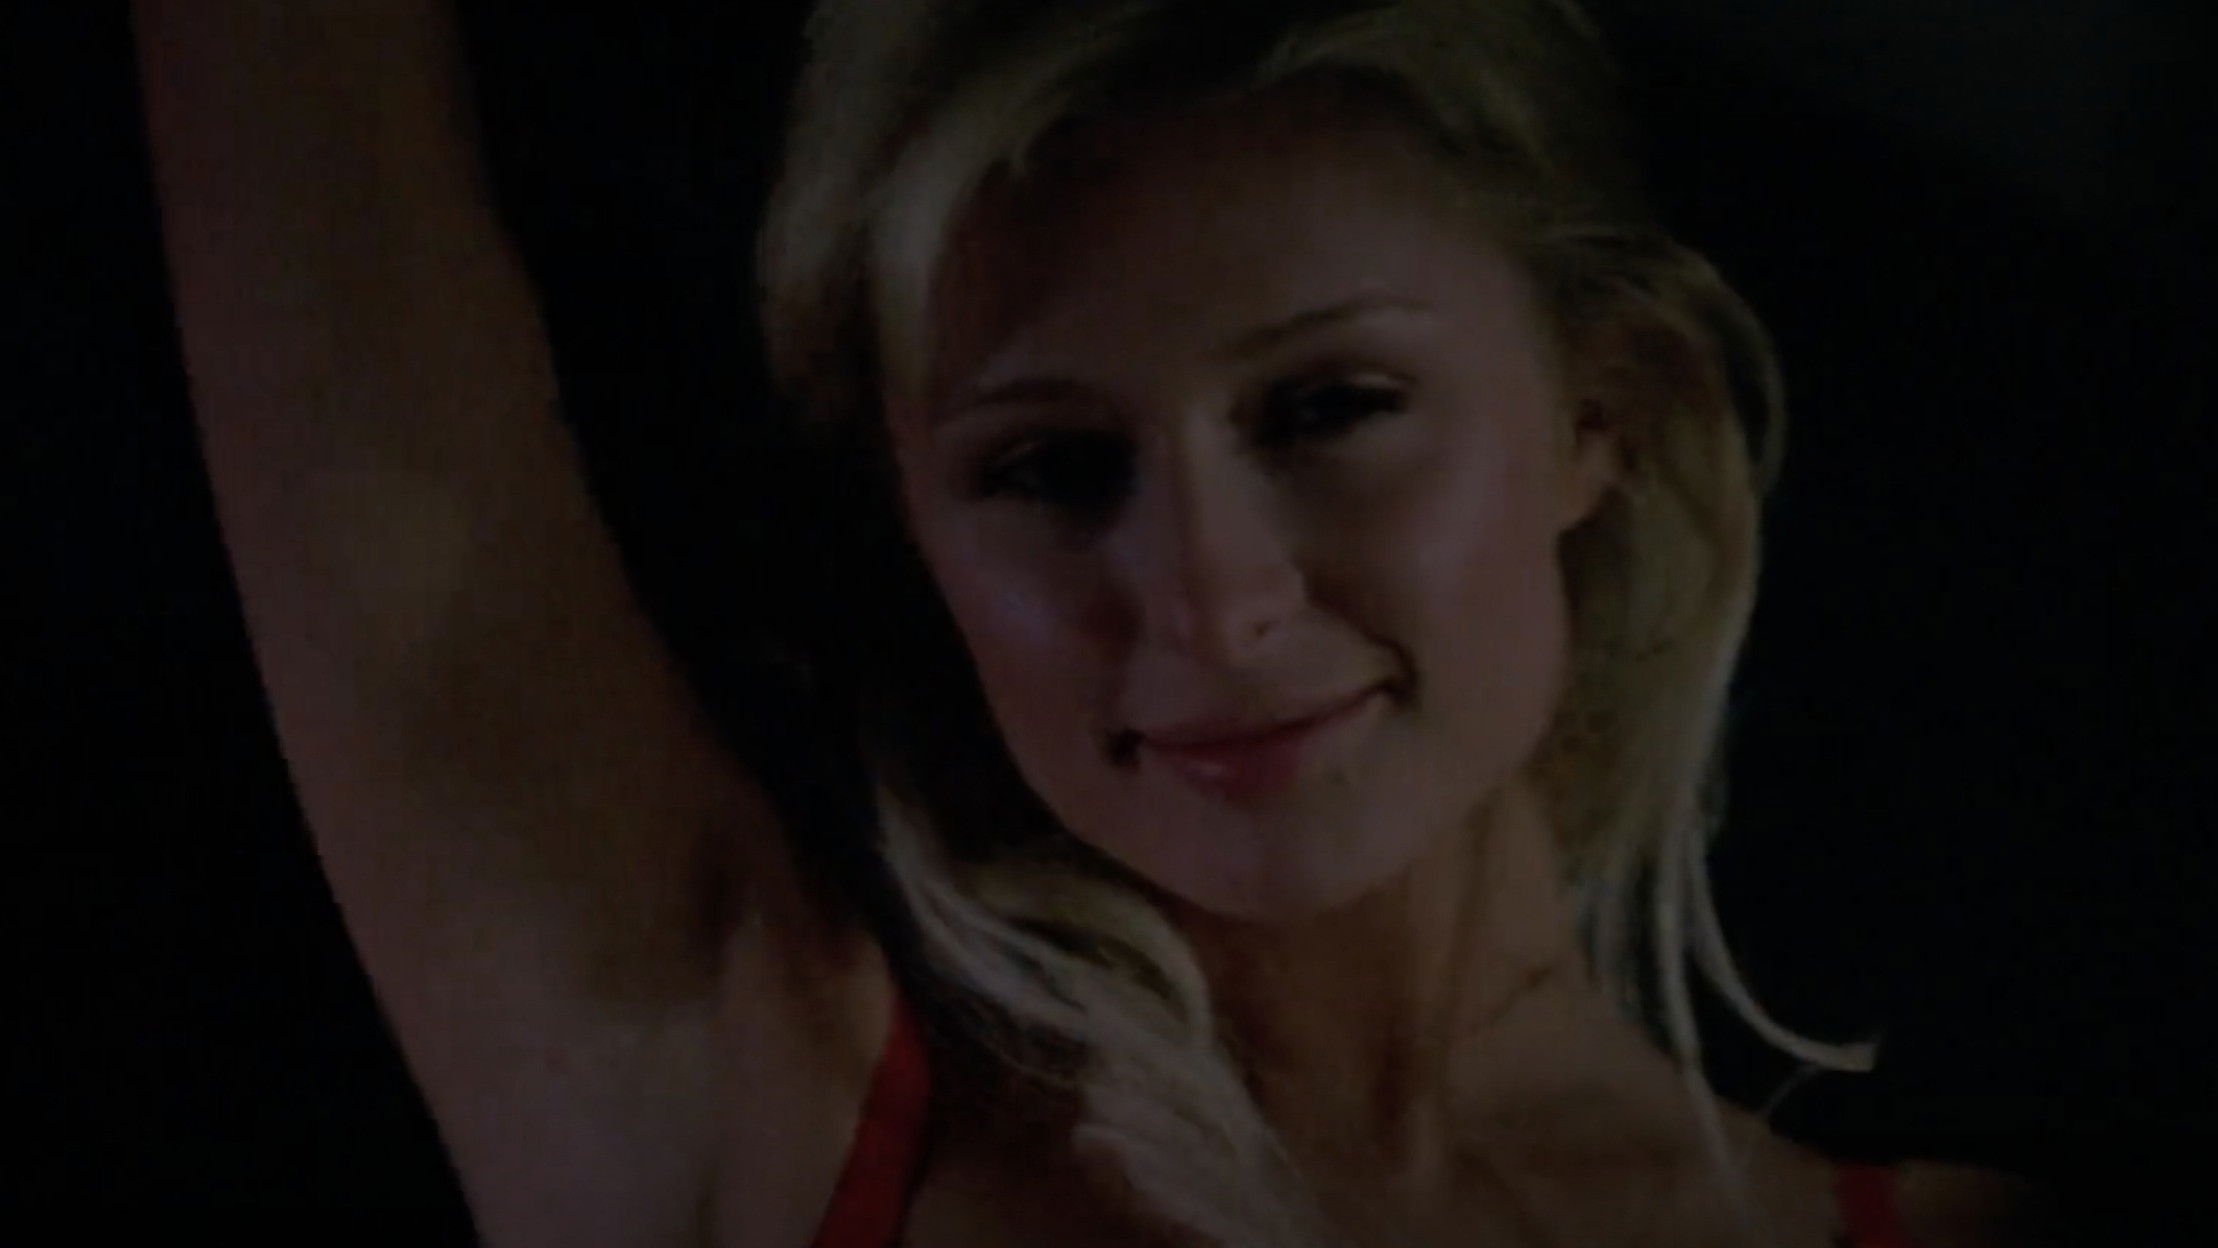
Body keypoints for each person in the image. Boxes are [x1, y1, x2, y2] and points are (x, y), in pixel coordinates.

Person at [134, 0, 2052, 1244]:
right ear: (909, 526)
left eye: (1326, 409)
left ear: (1596, 415)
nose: (1210, 601)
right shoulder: (739, 1111)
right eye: (1051, 467)